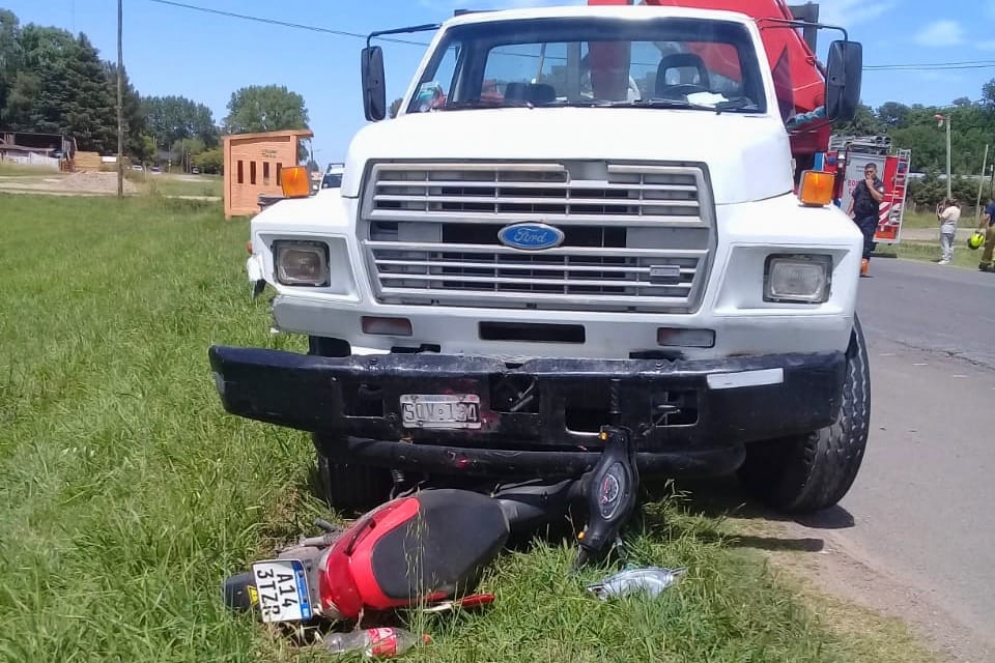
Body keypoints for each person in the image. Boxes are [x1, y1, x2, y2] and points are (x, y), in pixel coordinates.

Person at [848, 162, 885, 276]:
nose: (868, 174)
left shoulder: (879, 184)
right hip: (859, 216)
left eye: (871, 172)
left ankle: (862, 267)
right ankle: (851, 264)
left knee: (866, 242)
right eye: (866, 172)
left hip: (870, 218)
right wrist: (848, 213)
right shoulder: (860, 184)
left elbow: (880, 198)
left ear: (875, 172)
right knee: (853, 238)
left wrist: (870, 186)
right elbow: (854, 199)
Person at [936, 198, 961, 265]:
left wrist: (939, 212)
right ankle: (949, 257)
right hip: (953, 228)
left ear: (948, 204)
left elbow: (942, 217)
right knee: (951, 244)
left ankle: (945, 258)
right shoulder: (957, 209)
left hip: (946, 228)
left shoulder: (948, 209)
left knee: (945, 244)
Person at [977, 197, 995, 272]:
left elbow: (986, 217)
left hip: (993, 228)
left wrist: (980, 227)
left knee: (989, 246)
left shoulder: (993, 205)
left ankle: (984, 263)